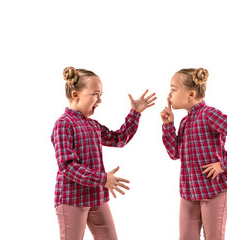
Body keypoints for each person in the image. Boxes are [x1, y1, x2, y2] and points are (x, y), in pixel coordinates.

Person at [51, 66, 156, 240]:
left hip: (96, 196)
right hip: (72, 198)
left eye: (101, 95)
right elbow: (67, 166)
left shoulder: (92, 125)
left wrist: (135, 113)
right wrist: (103, 179)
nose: (99, 100)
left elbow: (119, 139)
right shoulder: (63, 124)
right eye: (95, 94)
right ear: (76, 95)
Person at [160, 68, 227, 240]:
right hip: (189, 192)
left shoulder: (208, 115)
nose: (169, 94)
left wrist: (224, 164)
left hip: (214, 189)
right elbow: (174, 153)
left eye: (173, 89)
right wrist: (168, 125)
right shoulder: (185, 121)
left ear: (191, 94)